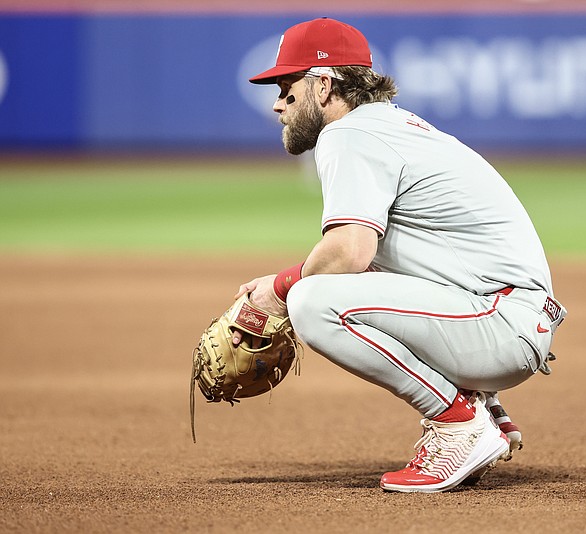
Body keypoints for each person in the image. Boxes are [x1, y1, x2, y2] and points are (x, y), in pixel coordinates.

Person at [235, 17, 566, 493]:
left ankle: (458, 423)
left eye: (288, 86)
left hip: (499, 322)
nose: (277, 102)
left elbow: (349, 251)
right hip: (506, 318)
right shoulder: (389, 126)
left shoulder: (349, 135)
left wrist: (279, 287)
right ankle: (480, 406)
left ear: (323, 86)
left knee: (313, 299)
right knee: (354, 278)